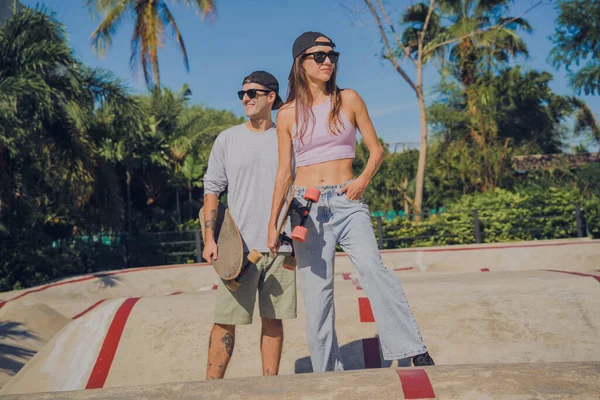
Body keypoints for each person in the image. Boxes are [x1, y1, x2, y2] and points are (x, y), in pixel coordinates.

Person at [267, 32, 434, 372]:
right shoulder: (286, 115)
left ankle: (412, 348)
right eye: (319, 56)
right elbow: (284, 173)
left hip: (347, 199)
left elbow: (377, 150)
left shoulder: (350, 100)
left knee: (373, 269)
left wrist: (361, 181)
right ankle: (328, 374)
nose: (328, 60)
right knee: (317, 296)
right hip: (305, 209)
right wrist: (273, 225)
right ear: (301, 62)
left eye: (332, 55)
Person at [203, 71, 297, 379]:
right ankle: (209, 389)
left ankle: (270, 385)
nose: (246, 98)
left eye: (253, 93)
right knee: (225, 318)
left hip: (279, 246)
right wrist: (210, 238)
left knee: (273, 319)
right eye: (242, 93)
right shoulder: (228, 139)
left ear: (271, 97)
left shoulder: (287, 137)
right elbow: (212, 189)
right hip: (238, 249)